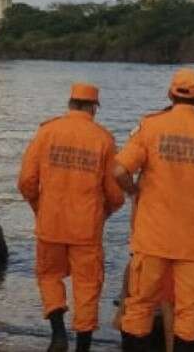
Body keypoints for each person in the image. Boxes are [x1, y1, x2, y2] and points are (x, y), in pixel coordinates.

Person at [113, 67, 194, 352]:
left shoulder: (151, 126)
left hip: (152, 238)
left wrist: (134, 191)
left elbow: (119, 170)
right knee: (191, 312)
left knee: (140, 306)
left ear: (170, 94)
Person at [18, 82, 125, 352]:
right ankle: (83, 346)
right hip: (86, 228)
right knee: (87, 285)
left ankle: (57, 334)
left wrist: (39, 207)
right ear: (93, 107)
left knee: (48, 276)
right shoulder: (104, 139)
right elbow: (115, 193)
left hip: (50, 222)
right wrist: (104, 214)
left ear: (70, 104)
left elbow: (26, 181)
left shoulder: (47, 132)